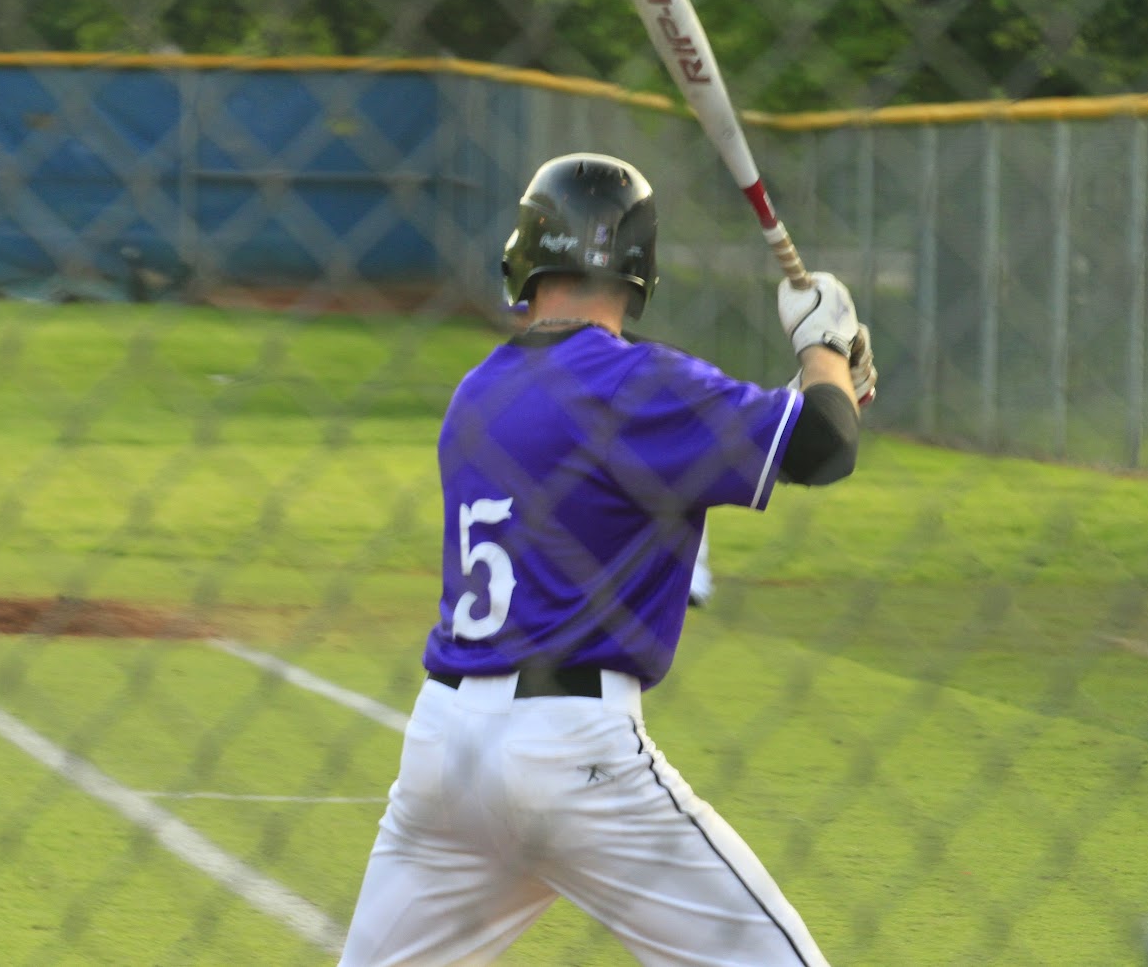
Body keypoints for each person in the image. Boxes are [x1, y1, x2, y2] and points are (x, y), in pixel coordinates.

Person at [338, 153, 876, 966]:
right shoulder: (639, 384)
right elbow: (824, 443)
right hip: (569, 755)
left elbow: (659, 440)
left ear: (526, 254)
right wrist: (824, 344)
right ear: (639, 268)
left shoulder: (479, 390)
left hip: (444, 755)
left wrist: (821, 382)